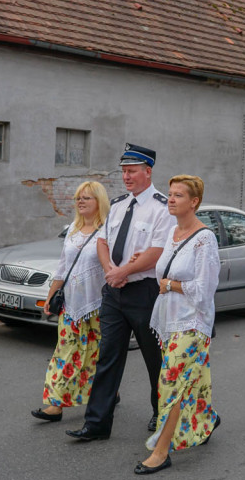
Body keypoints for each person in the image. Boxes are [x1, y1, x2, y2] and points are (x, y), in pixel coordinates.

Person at [66, 144, 174, 442]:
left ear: (147, 172)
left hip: (144, 292)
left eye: (131, 171)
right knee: (108, 357)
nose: (126, 176)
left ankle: (161, 411)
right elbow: (102, 241)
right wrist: (111, 271)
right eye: (124, 171)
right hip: (114, 292)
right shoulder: (117, 205)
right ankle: (97, 424)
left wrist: (123, 272)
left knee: (155, 359)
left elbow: (157, 251)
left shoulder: (161, 208)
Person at [135, 175, 221, 475]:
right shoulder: (173, 233)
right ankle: (205, 419)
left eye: (178, 195)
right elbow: (163, 268)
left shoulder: (205, 239)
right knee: (190, 380)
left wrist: (171, 284)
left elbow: (204, 289)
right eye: (170, 194)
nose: (170, 199)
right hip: (170, 320)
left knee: (170, 382)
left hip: (192, 322)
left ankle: (161, 450)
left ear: (194, 202)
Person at [31, 181, 110, 423]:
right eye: (78, 198)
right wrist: (48, 297)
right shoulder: (73, 230)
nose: (81, 201)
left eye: (87, 197)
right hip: (70, 305)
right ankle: (55, 404)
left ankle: (110, 390)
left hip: (97, 305)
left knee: (98, 355)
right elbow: (62, 269)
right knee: (65, 353)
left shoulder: (107, 232)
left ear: (99, 202)